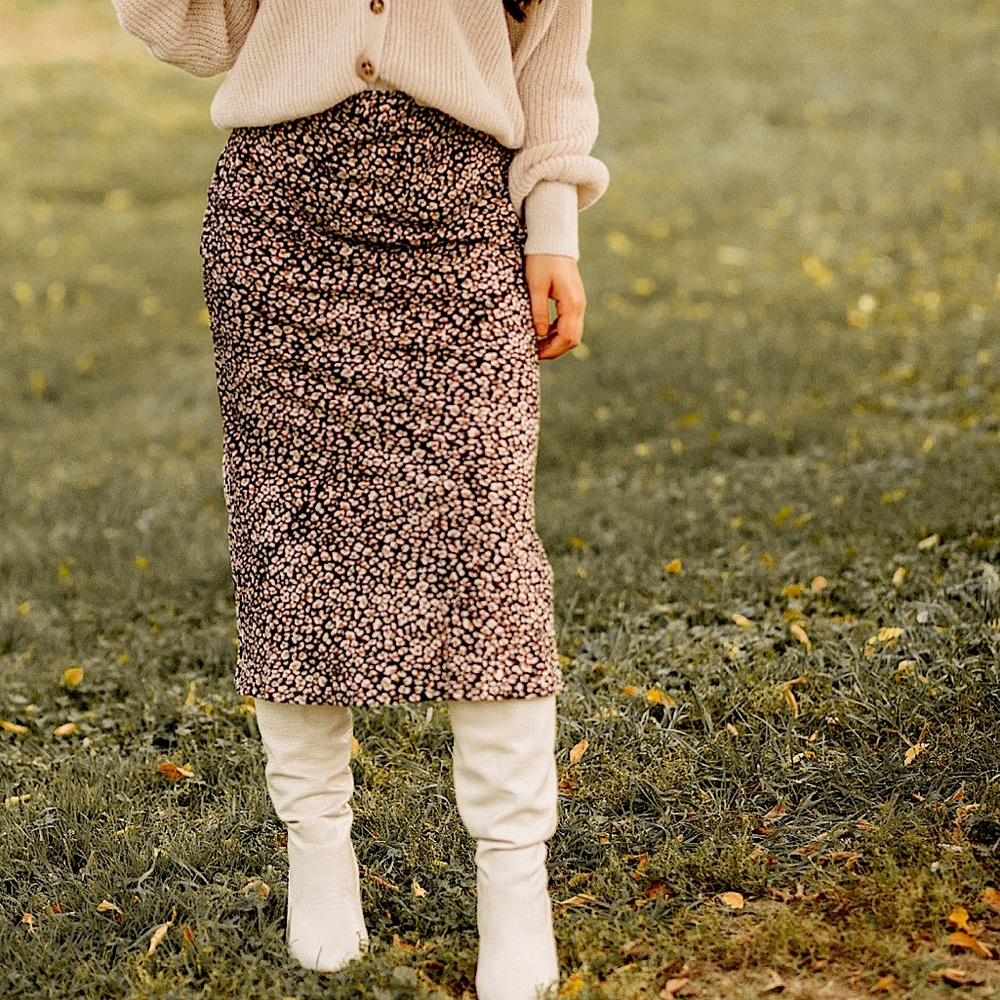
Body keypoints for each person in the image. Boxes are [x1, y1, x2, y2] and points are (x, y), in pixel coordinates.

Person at [111, 2, 608, 997]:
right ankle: (317, 848)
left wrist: (553, 221)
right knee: (289, 541)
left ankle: (514, 883)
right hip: (279, 226)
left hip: (461, 221)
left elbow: (551, 56)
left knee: (484, 550)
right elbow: (188, 33)